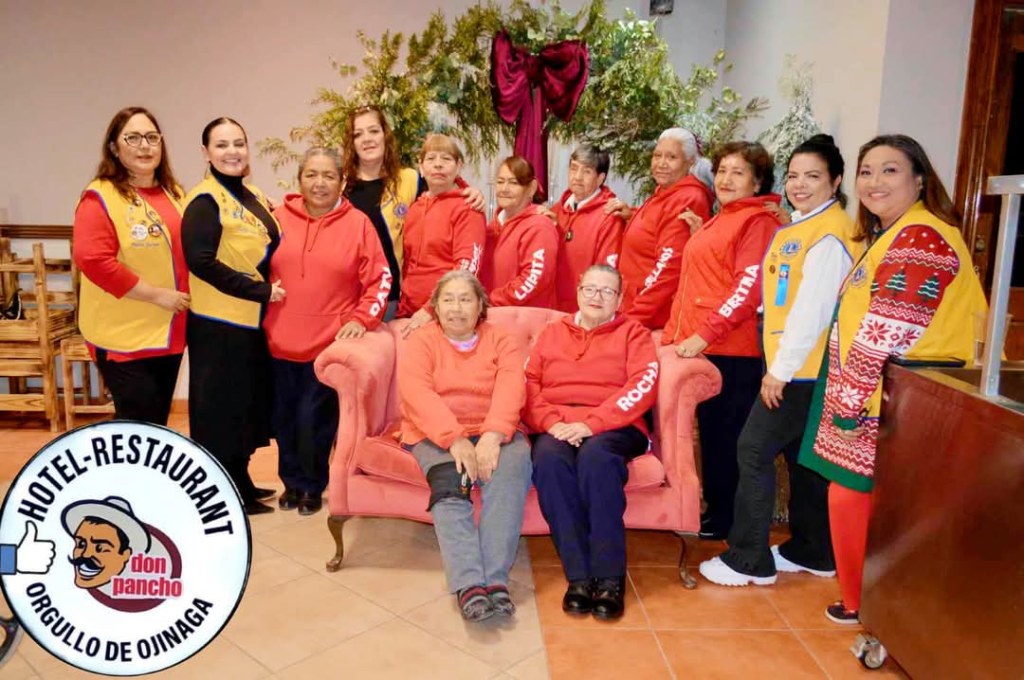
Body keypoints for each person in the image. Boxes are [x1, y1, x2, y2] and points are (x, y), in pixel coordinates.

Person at [799, 134, 986, 624]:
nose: (874, 182)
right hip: (886, 396)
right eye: (867, 171)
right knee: (859, 498)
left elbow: (887, 328)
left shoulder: (921, 237)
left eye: (890, 170)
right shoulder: (892, 234)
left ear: (919, 179)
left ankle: (864, 603)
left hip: (905, 399)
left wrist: (849, 405)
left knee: (855, 496)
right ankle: (866, 601)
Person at [699, 134, 865, 586]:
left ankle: (748, 558)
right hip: (796, 366)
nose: (799, 185)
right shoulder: (800, 227)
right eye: (793, 176)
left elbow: (812, 312)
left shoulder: (829, 234)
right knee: (799, 456)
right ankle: (813, 549)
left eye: (813, 176)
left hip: (803, 369)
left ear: (836, 181)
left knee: (752, 450)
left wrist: (780, 371)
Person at [662, 140, 783, 540]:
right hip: (701, 347)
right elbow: (697, 283)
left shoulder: (757, 222)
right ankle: (716, 512)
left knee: (727, 440)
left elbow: (748, 289)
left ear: (758, 181)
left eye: (738, 172)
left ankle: (728, 520)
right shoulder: (722, 217)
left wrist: (703, 335)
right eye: (722, 171)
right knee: (712, 438)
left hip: (730, 351)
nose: (726, 179)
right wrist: (673, 336)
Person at [526, 264, 658, 620]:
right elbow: (528, 384)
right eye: (590, 289)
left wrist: (591, 424)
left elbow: (643, 386)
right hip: (557, 424)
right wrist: (551, 423)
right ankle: (580, 577)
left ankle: (610, 578)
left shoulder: (634, 334)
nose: (597, 297)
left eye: (607, 291)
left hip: (615, 424)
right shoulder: (552, 333)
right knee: (548, 460)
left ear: (619, 298)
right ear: (578, 291)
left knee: (596, 458)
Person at [398, 271, 532, 622]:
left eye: (465, 299)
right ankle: (469, 583)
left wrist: (493, 434)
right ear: (436, 307)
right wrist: (454, 438)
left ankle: (496, 580)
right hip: (434, 432)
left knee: (509, 475)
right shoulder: (421, 342)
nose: (456, 308)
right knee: (450, 484)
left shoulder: (502, 340)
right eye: (448, 300)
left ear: (480, 306)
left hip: (494, 428)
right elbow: (416, 393)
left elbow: (511, 388)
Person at [264, 147, 390, 516]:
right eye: (312, 175)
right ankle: (290, 482)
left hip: (328, 344)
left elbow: (380, 279)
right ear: (300, 180)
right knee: (284, 418)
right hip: (277, 340)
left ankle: (312, 485)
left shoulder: (358, 224)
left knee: (313, 420)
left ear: (342, 181)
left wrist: (361, 319)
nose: (319, 183)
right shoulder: (275, 218)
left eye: (328, 176)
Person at [182, 117, 282, 516]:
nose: (232, 152)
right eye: (222, 145)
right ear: (205, 152)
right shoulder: (204, 201)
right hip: (218, 323)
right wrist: (259, 290)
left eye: (238, 143)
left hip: (250, 323)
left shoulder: (250, 193)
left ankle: (240, 479)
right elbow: (201, 261)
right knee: (219, 410)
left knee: (244, 406)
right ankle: (221, 491)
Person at [73, 106, 190, 424]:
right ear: (114, 147)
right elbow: (93, 260)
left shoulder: (174, 193)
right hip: (122, 336)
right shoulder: (100, 196)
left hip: (168, 332)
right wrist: (156, 295)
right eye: (133, 138)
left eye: (152, 137)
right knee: (137, 425)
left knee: (154, 425)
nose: (145, 146)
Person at [341, 105, 484, 318]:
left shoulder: (408, 179)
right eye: (358, 134)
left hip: (391, 299)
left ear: (385, 135)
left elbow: (440, 186)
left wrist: (469, 190)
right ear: (351, 142)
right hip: (345, 296)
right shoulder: (339, 185)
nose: (367, 139)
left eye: (374, 131)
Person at [610, 128, 714, 329]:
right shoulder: (667, 192)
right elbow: (657, 229)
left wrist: (632, 319)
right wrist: (633, 215)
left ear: (690, 162)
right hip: (636, 308)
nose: (661, 163)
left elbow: (669, 269)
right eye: (657, 156)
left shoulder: (687, 198)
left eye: (672, 157)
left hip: (652, 318)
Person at [397, 134, 486, 335]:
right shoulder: (414, 208)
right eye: (431, 158)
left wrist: (430, 309)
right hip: (408, 313)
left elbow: (466, 270)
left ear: (459, 166)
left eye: (446, 159)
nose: (438, 164)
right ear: (421, 167)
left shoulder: (468, 207)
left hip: (447, 317)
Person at [550, 145, 625, 312]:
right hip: (553, 307)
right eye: (573, 168)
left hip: (585, 310)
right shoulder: (555, 211)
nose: (577, 177)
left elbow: (606, 273)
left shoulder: (609, 216)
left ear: (600, 178)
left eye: (587, 172)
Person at [480, 156, 559, 308]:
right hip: (491, 315)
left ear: (531, 188)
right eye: (500, 182)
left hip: (525, 319)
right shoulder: (490, 228)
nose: (504, 189)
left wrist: (490, 302)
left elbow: (534, 279)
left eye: (513, 183)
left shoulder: (540, 226)